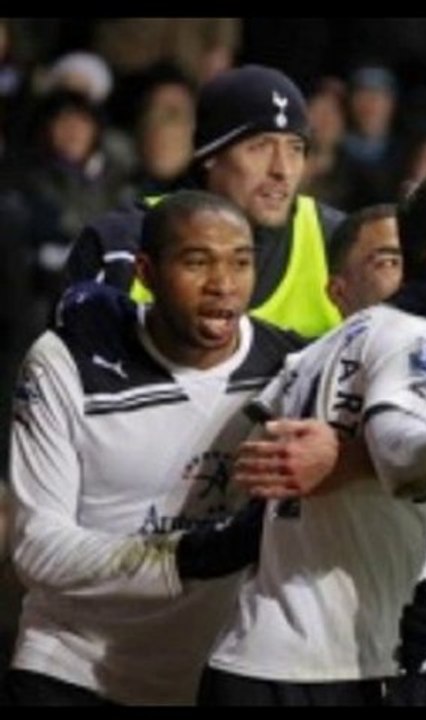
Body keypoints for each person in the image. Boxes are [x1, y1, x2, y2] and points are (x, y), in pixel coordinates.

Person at [198, 156, 426, 705]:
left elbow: (257, 480)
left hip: (277, 657)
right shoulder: (421, 342)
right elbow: (401, 460)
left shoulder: (326, 347)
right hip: (321, 670)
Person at [3, 190, 335, 705]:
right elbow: (37, 549)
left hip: (210, 681)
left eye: (241, 262)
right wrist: (194, 554)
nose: (223, 285)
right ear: (146, 272)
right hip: (70, 670)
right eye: (196, 262)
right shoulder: (69, 361)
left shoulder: (290, 369)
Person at [65, 64, 345, 340]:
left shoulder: (341, 244)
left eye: (295, 149)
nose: (282, 169)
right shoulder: (124, 244)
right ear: (211, 155)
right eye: (260, 146)